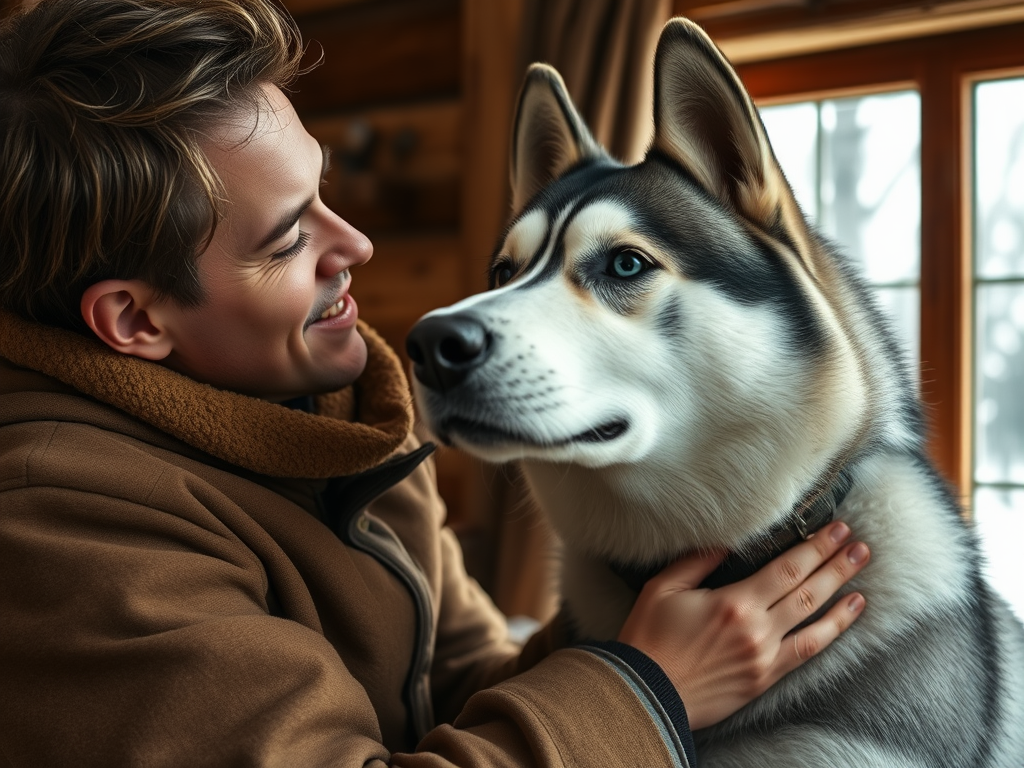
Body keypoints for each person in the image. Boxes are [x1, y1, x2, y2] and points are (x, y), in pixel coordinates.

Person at [0, 1, 870, 765]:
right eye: (288, 239)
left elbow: (457, 694)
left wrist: (653, 622)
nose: (356, 247)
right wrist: (650, 685)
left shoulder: (344, 421)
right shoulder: (63, 526)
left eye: (324, 194)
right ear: (137, 321)